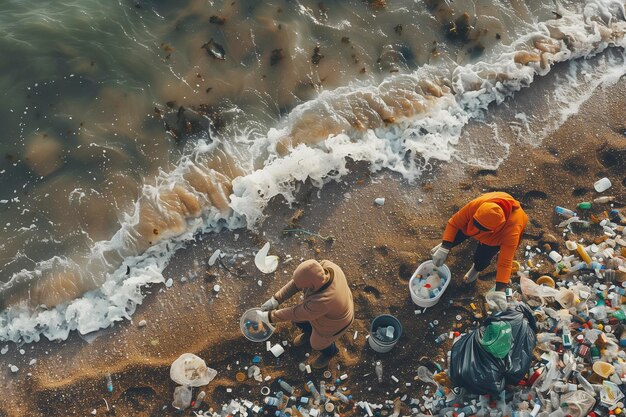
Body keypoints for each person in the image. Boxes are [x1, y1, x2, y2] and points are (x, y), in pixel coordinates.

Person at [431, 191, 527, 311]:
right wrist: (445, 247)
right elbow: (454, 223)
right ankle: (446, 245)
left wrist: (500, 290)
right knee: (459, 231)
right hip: (479, 220)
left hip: (494, 238)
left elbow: (505, 262)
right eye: (476, 224)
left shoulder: (511, 231)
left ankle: (476, 269)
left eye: (481, 228)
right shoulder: (477, 205)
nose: (475, 229)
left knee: (483, 256)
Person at [257, 259, 354, 369]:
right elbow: (296, 284)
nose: (300, 287)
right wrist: (276, 299)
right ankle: (309, 332)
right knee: (298, 320)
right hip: (331, 309)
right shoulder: (326, 266)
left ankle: (330, 352)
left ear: (312, 285)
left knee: (316, 343)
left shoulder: (324, 300)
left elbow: (296, 313)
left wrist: (269, 317)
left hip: (337, 322)